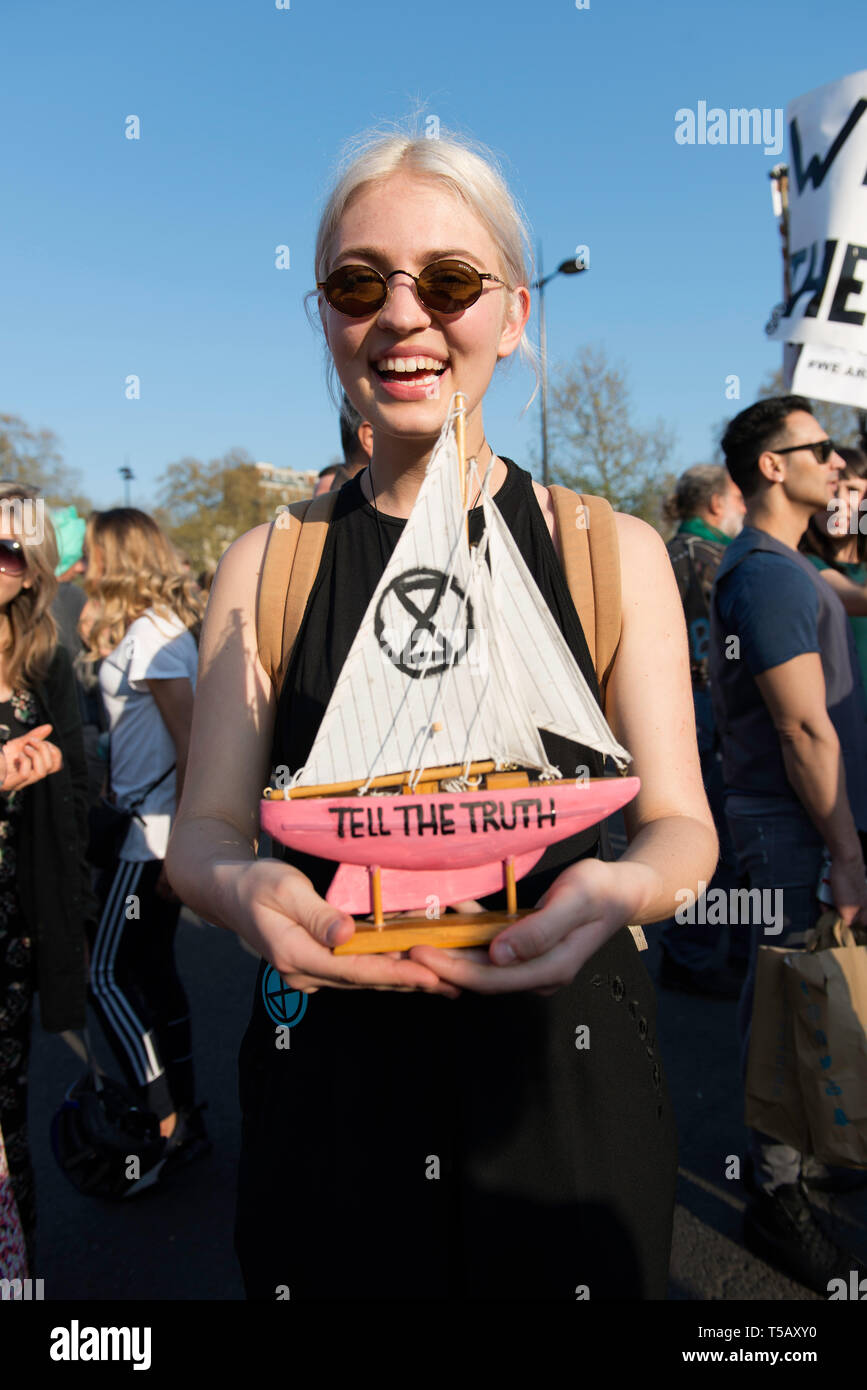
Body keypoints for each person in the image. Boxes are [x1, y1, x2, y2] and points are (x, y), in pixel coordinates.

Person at [167, 124, 717, 1301]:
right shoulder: (265, 566)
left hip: (563, 1067)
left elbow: (681, 826)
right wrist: (241, 888)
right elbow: (203, 835)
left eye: (451, 282)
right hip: (332, 1080)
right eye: (359, 283)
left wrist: (618, 889)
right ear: (325, 313)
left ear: (514, 315)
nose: (403, 316)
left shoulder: (608, 553)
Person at [709, 396, 867, 1294]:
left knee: (818, 995)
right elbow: (802, 729)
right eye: (820, 448)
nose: (838, 462)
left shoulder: (790, 567)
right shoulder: (766, 578)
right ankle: (776, 1198)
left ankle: (809, 1158)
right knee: (787, 1004)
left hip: (800, 824)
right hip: (790, 827)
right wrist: (843, 851)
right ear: (772, 465)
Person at [81, 508, 210, 1180]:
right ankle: (183, 1116)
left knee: (101, 976)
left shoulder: (154, 634)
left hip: (148, 836)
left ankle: (163, 1116)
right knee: (153, 975)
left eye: (93, 551)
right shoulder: (152, 628)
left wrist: (185, 839)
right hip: (144, 827)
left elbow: (190, 741)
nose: (87, 563)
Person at [0, 484, 93, 1271]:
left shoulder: (42, 661)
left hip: (13, 920)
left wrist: (53, 766)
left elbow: (78, 774)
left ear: (30, 571)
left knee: (5, 1127)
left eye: (6, 551)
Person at [658, 465, 746, 996]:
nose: (742, 506)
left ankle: (692, 952)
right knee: (712, 837)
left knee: (688, 832)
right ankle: (692, 955)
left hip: (674, 705)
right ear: (715, 504)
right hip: (707, 704)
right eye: (736, 496)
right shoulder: (723, 558)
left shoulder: (662, 551)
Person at [800, 445, 867, 690]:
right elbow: (861, 598)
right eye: (830, 488)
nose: (838, 501)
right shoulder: (803, 565)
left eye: (852, 490)